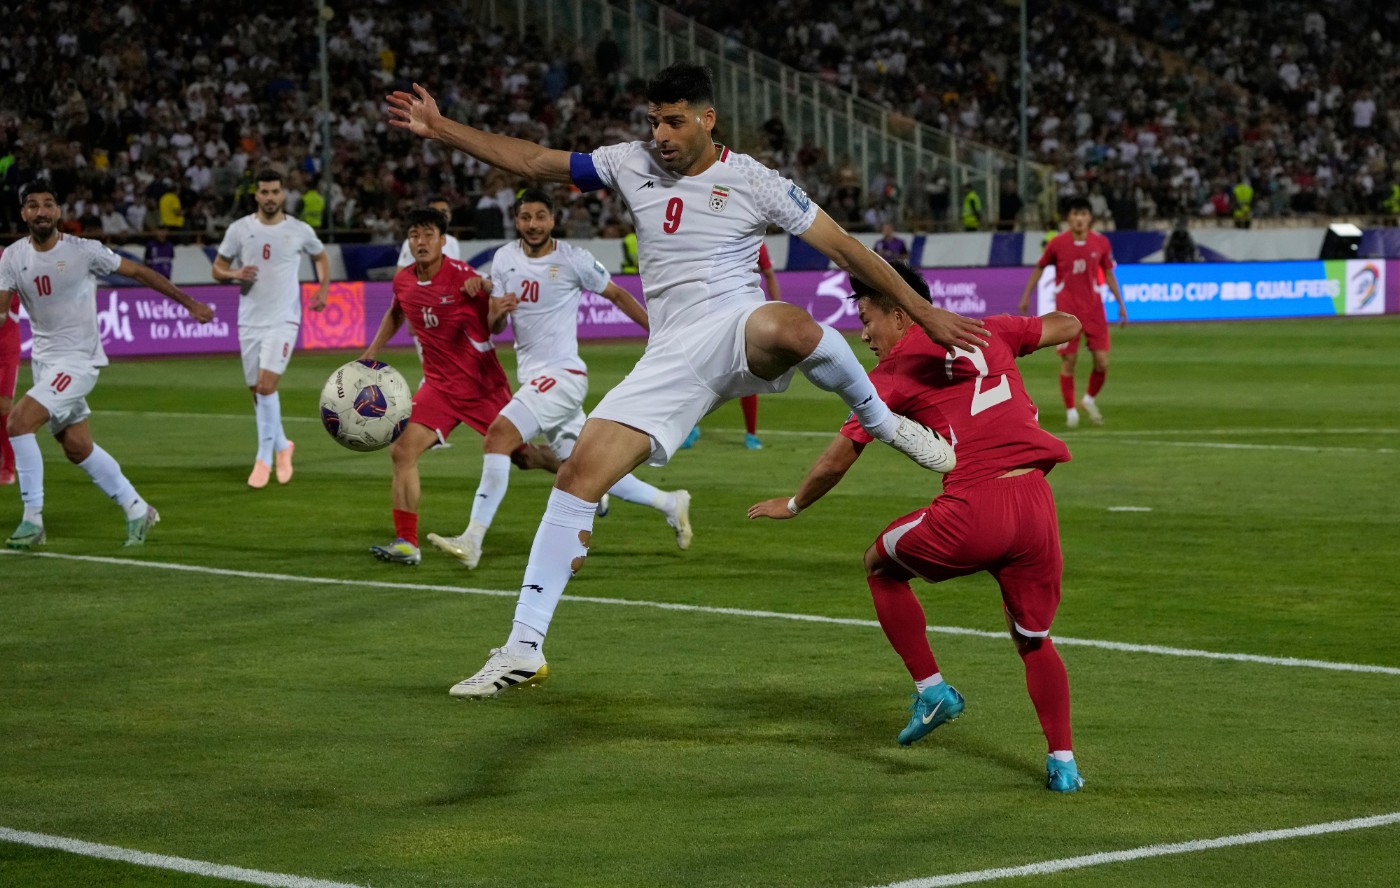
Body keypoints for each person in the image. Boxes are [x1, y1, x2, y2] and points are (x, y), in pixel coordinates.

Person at [387, 63, 985, 699]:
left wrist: (924, 312)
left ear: (707, 119)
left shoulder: (754, 180)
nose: (662, 135)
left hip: (735, 323)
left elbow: (846, 249)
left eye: (674, 121)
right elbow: (534, 160)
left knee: (792, 326)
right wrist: (442, 128)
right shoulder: (628, 161)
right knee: (576, 476)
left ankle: (881, 422)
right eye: (654, 121)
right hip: (670, 355)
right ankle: (523, 647)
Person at [749, 261, 1086, 793]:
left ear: (902, 314)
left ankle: (932, 690)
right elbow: (1067, 324)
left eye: (867, 320)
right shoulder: (989, 330)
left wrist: (793, 504)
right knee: (1033, 640)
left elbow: (838, 458)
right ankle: (1063, 764)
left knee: (878, 565)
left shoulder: (892, 373)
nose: (864, 335)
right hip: (1037, 507)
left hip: (976, 506)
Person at [426, 188, 692, 569]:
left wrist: (659, 333)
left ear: (552, 219)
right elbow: (494, 325)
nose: (533, 225)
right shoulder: (504, 259)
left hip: (563, 375)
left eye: (540, 217)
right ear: (516, 221)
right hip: (536, 379)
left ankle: (472, 540)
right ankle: (670, 502)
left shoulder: (573, 259)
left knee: (499, 436)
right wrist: (498, 313)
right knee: (584, 468)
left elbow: (617, 295)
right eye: (525, 217)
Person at [1, 179, 214, 549]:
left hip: (78, 362)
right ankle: (137, 508)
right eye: (33, 205)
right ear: (23, 213)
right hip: (45, 365)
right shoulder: (12, 257)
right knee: (77, 447)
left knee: (18, 423)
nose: (41, 211)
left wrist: (189, 302)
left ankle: (32, 520)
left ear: (58, 211)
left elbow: (139, 272)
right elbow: (2, 312)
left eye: (48, 204)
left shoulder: (84, 251)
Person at [361, 207, 515, 565]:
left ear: (443, 241)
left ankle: (585, 475)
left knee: (524, 456)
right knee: (402, 451)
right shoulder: (403, 280)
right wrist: (372, 351)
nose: (421, 241)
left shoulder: (464, 276)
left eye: (428, 234)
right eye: (414, 235)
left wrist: (489, 292)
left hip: (482, 387)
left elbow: (496, 325)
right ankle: (406, 542)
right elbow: (397, 310)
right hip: (439, 388)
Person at [211, 169, 330, 488]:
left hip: (283, 319)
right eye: (264, 192)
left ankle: (263, 459)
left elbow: (320, 256)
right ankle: (282, 445)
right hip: (249, 320)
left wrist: (323, 288)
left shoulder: (299, 230)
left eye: (275, 191)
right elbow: (217, 268)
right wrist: (235, 274)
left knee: (266, 386)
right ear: (256, 195)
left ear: (283, 194)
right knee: (257, 393)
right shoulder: (239, 229)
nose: (270, 197)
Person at [1017, 196, 1127, 428]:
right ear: (1068, 218)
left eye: (1083, 214)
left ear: (1090, 218)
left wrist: (1120, 302)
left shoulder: (1101, 243)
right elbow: (1039, 268)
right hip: (1067, 312)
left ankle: (1088, 400)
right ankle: (1071, 412)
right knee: (1069, 362)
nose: (1079, 219)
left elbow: (1108, 273)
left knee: (1102, 363)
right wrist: (1026, 295)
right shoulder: (1057, 243)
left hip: (1094, 311)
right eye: (1075, 214)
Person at [681, 241, 782, 451]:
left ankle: (751, 434)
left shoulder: (757, 244)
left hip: (746, 316)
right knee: (700, 370)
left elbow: (769, 275)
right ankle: (691, 428)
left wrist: (778, 309)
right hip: (715, 316)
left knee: (746, 371)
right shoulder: (717, 242)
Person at [397, 196, 460, 268]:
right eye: (435, 212)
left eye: (444, 211)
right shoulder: (414, 242)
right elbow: (401, 272)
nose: (440, 215)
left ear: (450, 215)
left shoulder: (453, 242)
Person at [0, 286, 18, 485]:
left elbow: (2, 317)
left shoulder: (7, 276)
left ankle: (8, 467)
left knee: (4, 407)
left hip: (6, 354)